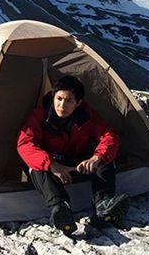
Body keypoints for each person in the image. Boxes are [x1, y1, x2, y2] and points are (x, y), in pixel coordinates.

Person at [16, 75, 129, 233]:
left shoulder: (86, 116)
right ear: (53, 96)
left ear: (78, 103)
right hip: (52, 166)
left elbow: (109, 136)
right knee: (34, 165)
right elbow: (25, 144)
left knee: (105, 157)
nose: (62, 105)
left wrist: (96, 158)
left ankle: (103, 203)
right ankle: (60, 208)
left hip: (74, 162)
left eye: (68, 101)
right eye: (59, 98)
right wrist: (52, 165)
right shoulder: (40, 115)